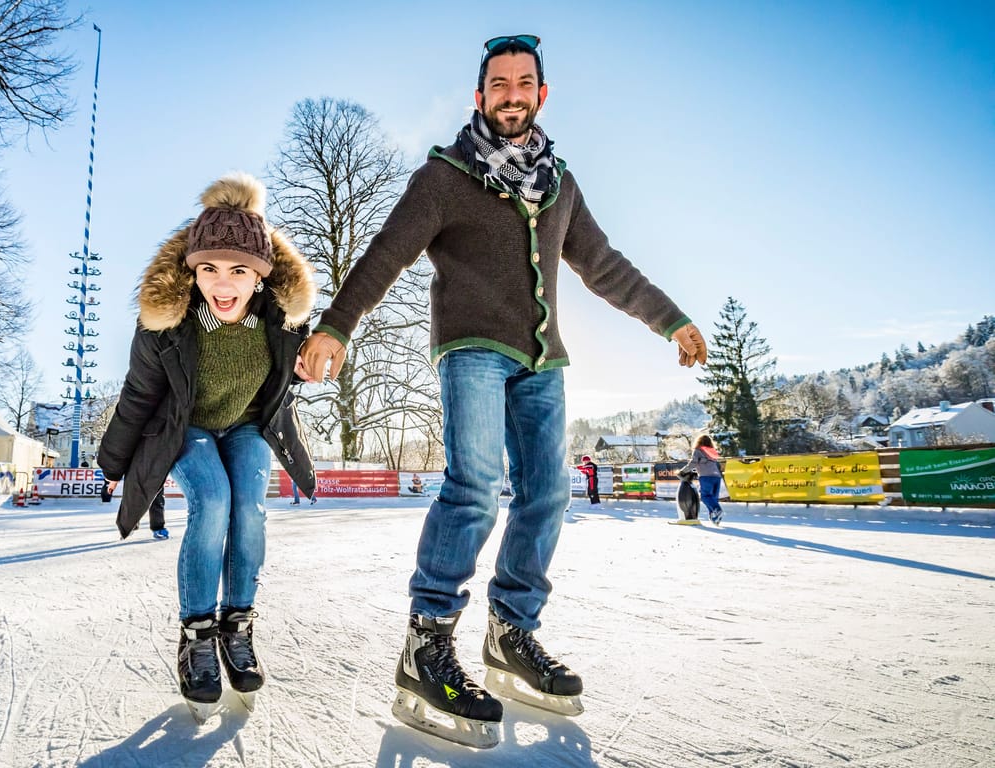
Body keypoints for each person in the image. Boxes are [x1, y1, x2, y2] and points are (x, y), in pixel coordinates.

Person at [298, 34, 708, 748]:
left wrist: (668, 318)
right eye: (499, 83)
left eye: (524, 83)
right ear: (479, 95)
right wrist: (337, 324)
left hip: (543, 359)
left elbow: (604, 266)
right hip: (473, 350)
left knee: (549, 492)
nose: (511, 94)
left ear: (541, 95)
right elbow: (387, 253)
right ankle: (426, 643)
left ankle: (512, 632)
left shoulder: (559, 184)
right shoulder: (446, 176)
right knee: (476, 484)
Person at [96, 172, 317, 722]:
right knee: (212, 501)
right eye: (210, 269)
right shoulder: (165, 326)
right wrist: (112, 461)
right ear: (193, 271)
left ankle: (237, 624)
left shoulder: (281, 318)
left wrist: (306, 369)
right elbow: (139, 393)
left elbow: (297, 371)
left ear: (260, 277)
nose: (224, 284)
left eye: (239, 271)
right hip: (186, 425)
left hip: (246, 425)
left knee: (251, 510)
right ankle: (197, 634)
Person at [684, 435, 725, 525]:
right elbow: (715, 464)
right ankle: (715, 518)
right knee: (713, 499)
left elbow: (693, 463)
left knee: (705, 496)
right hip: (716, 476)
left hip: (706, 476)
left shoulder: (698, 450)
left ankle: (717, 511)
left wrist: (683, 471)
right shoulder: (712, 451)